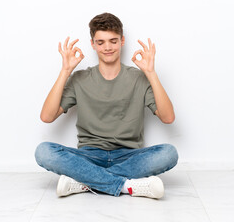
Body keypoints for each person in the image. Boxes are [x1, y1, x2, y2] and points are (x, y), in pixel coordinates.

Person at [35, 12, 178, 199]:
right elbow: (47, 116)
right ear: (93, 44)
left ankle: (84, 182)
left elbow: (168, 118)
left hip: (129, 156)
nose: (107, 47)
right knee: (44, 152)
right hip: (88, 156)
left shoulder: (138, 78)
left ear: (122, 41)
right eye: (101, 42)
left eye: (113, 41)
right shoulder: (80, 78)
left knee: (169, 153)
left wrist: (151, 73)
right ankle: (126, 186)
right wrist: (65, 70)